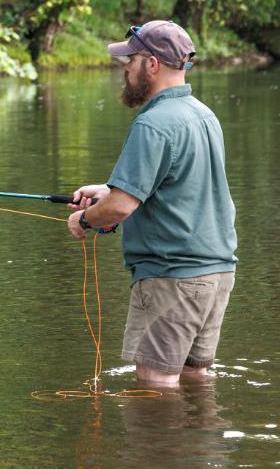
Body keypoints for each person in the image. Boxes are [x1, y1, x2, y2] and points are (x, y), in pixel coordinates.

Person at [65, 20, 237, 386]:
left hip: (172, 277)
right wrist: (109, 189)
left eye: (131, 59)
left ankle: (159, 446)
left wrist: (85, 220)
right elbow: (180, 185)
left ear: (153, 65)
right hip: (216, 274)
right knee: (195, 379)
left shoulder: (153, 124)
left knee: (155, 385)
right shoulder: (202, 115)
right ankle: (201, 443)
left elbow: (120, 209)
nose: (125, 68)